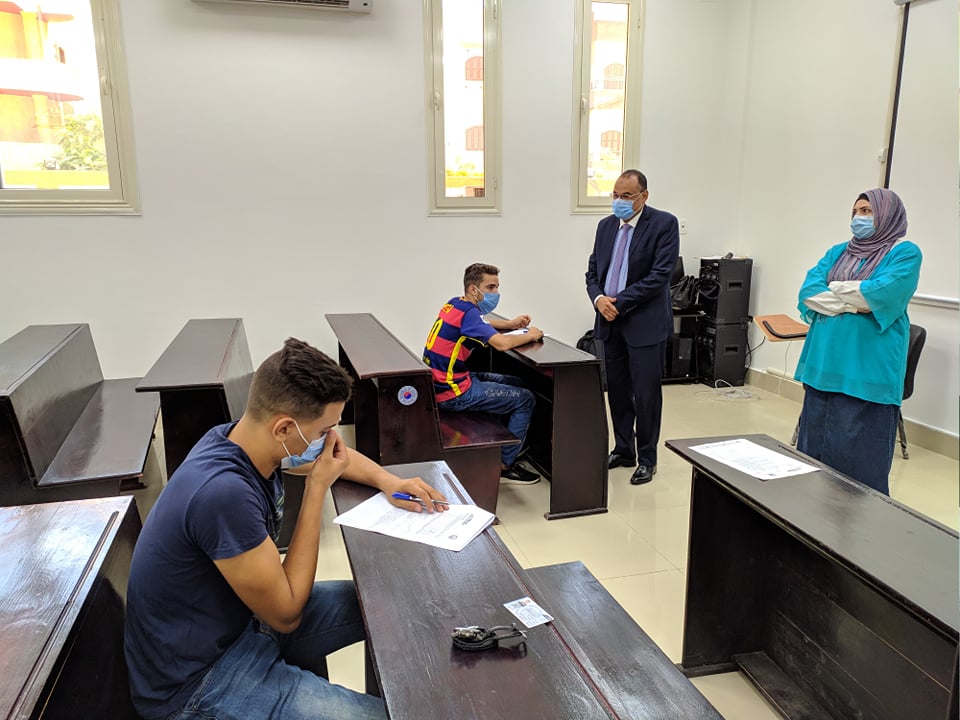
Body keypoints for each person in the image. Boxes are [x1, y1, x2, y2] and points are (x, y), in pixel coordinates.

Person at [125, 338, 448, 720]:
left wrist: (388, 481)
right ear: (283, 428)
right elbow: (287, 614)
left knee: (389, 602)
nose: (330, 440)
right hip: (198, 681)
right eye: (324, 430)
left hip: (241, 622)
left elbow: (333, 456)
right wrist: (315, 491)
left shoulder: (243, 438)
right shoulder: (223, 494)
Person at [794, 188, 921, 495]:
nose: (858, 218)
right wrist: (855, 301)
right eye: (855, 212)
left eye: (866, 211)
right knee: (812, 463)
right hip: (823, 367)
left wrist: (837, 291)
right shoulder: (838, 251)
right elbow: (809, 293)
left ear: (887, 215)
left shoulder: (904, 253)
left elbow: (881, 294)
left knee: (860, 474)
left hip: (867, 372)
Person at [585, 169, 680, 486]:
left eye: (626, 196)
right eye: (615, 195)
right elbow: (593, 271)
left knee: (646, 394)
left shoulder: (663, 224)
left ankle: (647, 459)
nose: (619, 201)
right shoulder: (606, 226)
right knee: (618, 391)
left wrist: (619, 303)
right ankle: (623, 449)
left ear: (643, 196)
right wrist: (599, 299)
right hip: (609, 322)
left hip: (644, 324)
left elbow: (660, 276)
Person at [423, 262, 545, 485]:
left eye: (497, 287)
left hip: (443, 383)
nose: (496, 293)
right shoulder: (469, 313)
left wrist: (509, 324)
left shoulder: (455, 304)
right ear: (473, 289)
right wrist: (531, 334)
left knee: (518, 382)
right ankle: (504, 465)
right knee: (526, 399)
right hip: (454, 393)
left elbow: (482, 323)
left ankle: (502, 443)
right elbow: (501, 344)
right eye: (490, 287)